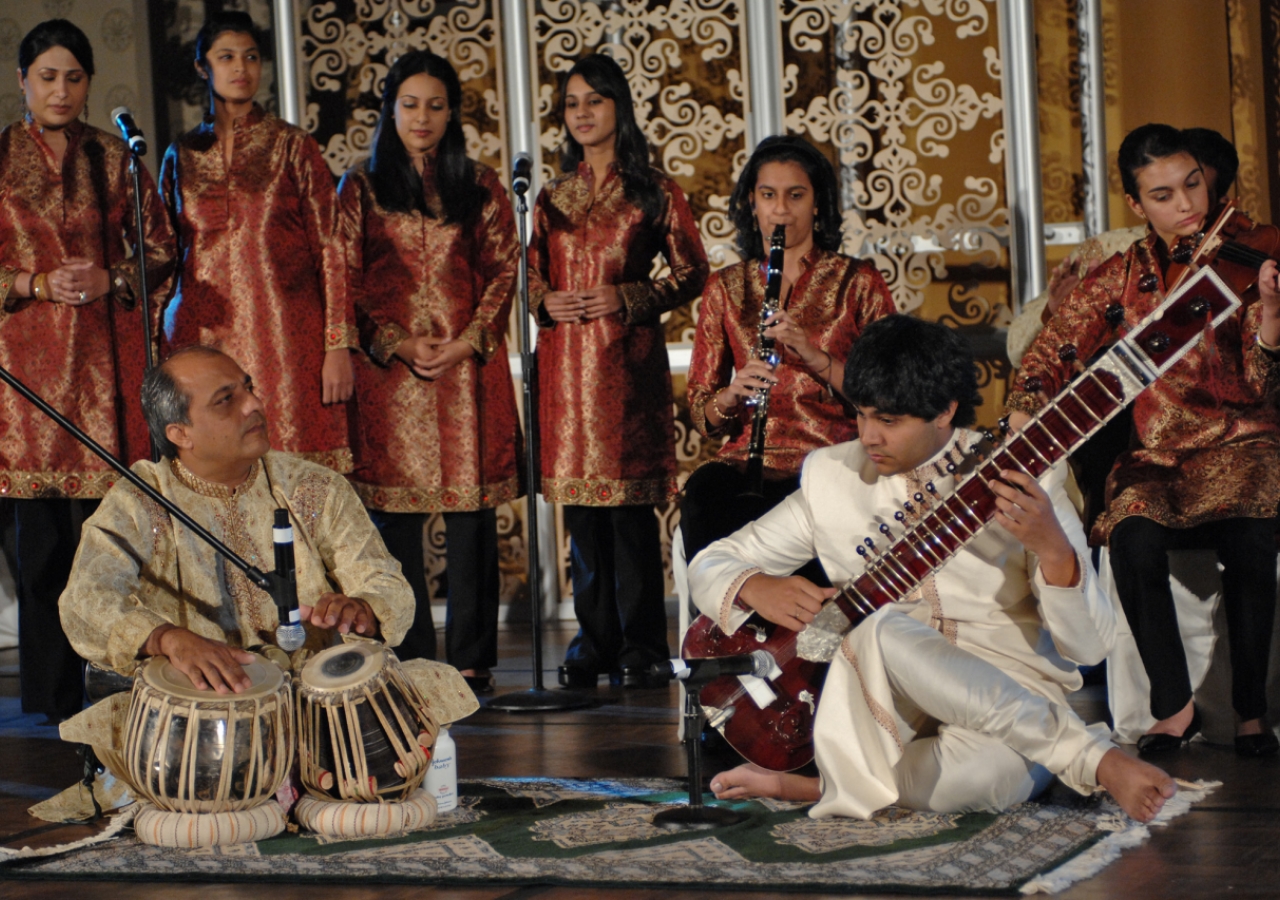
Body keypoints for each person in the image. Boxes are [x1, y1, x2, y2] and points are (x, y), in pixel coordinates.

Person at [694, 315, 1177, 824]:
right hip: (889, 707)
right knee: (881, 631)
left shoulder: (1024, 473)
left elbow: (1090, 646)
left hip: (1010, 696)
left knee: (981, 782)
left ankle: (821, 784)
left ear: (945, 410)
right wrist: (755, 584)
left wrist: (1053, 549)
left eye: (889, 420)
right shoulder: (831, 476)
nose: (868, 436)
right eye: (860, 415)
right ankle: (1093, 758)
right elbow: (712, 562)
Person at [1007, 123, 1280, 757]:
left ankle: (1249, 714)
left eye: (1193, 185)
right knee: (1130, 535)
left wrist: (1268, 317)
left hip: (1242, 441)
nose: (1186, 205)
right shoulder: (1118, 275)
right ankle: (1171, 709)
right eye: (1163, 195)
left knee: (1249, 539)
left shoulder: (1248, 257)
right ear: (1136, 206)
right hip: (1155, 454)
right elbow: (1051, 350)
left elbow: (1265, 384)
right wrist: (1026, 408)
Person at [0, 19, 175, 723]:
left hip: (105, 377)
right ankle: (50, 702)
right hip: (26, 384)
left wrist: (112, 278)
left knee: (109, 548)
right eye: (47, 76)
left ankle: (127, 689)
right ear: (22, 82)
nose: (62, 90)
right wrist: (32, 284)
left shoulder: (116, 158)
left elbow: (161, 245)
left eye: (74, 77)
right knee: (39, 554)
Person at [59, 347, 414, 694]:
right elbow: (86, 600)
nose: (254, 405)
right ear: (180, 433)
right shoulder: (138, 500)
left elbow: (382, 578)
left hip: (313, 696)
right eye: (226, 400)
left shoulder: (314, 488)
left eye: (249, 388)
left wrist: (362, 607)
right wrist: (167, 638)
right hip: (200, 703)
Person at [340, 50, 521, 692]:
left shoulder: (480, 184)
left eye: (436, 105)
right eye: (411, 103)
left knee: (472, 519)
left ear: (452, 114)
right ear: (390, 109)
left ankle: (472, 657)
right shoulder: (360, 187)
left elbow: (506, 268)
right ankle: (411, 651)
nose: (423, 117)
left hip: (465, 371)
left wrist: (471, 340)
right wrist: (391, 341)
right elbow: (348, 279)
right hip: (392, 379)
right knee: (396, 526)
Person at [528, 53, 709, 689]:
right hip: (565, 374)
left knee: (630, 516)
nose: (582, 112)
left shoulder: (652, 190)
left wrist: (627, 296)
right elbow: (530, 275)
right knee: (582, 518)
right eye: (572, 102)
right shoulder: (551, 197)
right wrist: (542, 301)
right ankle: (592, 640)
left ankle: (640, 643)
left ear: (618, 109)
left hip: (625, 370)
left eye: (594, 101)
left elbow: (693, 272)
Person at [682, 134, 894, 564]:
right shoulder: (725, 287)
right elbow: (703, 418)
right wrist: (732, 394)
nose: (780, 209)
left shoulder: (859, 282)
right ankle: (733, 624)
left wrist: (815, 356)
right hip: (748, 462)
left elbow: (891, 395)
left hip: (834, 459)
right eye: (768, 195)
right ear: (752, 204)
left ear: (817, 204)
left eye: (795, 195)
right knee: (704, 494)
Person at [160, 11, 355, 475]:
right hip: (204, 339)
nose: (241, 68)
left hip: (289, 342)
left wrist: (337, 344)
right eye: (226, 57)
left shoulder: (292, 146)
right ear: (202, 68)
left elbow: (332, 246)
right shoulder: (181, 155)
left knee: (292, 475)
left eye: (250, 57)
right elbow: (165, 256)